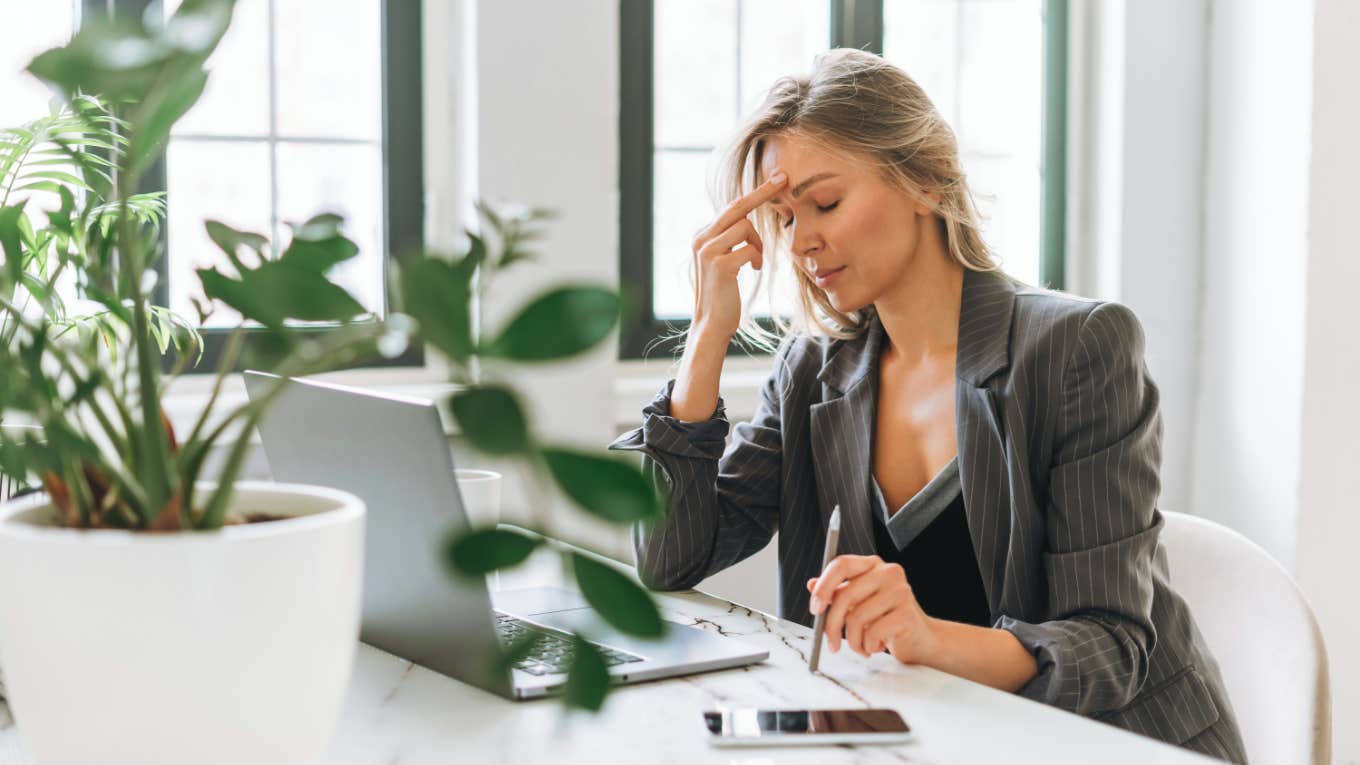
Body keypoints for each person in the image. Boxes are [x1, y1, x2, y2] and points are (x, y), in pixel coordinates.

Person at [609, 49, 1246, 762]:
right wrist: (706, 339)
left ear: (924, 178)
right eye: (784, 221)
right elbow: (670, 560)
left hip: (1110, 743)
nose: (803, 241)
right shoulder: (814, 371)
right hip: (938, 739)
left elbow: (1110, 646)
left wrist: (928, 636)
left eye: (826, 203)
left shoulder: (1076, 349)